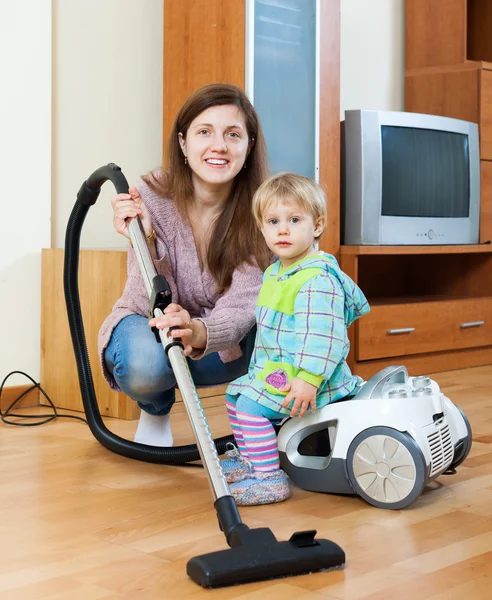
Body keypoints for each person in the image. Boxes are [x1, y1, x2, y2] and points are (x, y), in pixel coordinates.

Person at [98, 83, 271, 447]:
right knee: (145, 365)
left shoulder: (264, 209)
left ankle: (262, 422)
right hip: (151, 326)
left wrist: (199, 330)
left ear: (249, 145)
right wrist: (143, 239)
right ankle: (155, 409)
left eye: (233, 134)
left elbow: (244, 303)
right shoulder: (148, 195)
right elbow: (146, 295)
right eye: (204, 132)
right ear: (183, 143)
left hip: (220, 342)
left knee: (276, 336)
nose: (219, 146)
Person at [222, 172, 370, 506]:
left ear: (316, 226)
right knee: (235, 394)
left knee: (249, 407)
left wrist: (309, 379)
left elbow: (324, 337)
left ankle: (268, 477)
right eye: (273, 221)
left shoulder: (317, 280)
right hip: (281, 371)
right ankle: (252, 459)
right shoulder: (276, 272)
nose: (283, 229)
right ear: (262, 228)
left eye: (294, 219)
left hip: (313, 380)